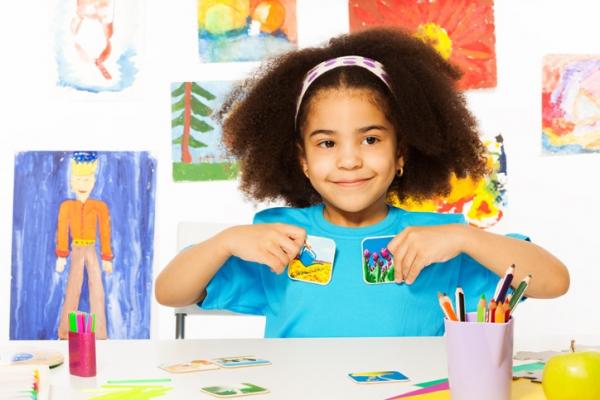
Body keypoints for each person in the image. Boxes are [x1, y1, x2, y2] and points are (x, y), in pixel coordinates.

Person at [155, 28, 569, 337]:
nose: (350, 159)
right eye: (327, 143)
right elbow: (170, 293)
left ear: (402, 153)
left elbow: (554, 281)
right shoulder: (278, 238)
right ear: (302, 160)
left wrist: (468, 240)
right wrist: (225, 241)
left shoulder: (437, 240)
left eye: (371, 139)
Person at [56, 152, 112, 339]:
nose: (83, 185)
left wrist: (106, 257)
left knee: (97, 288)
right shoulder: (66, 207)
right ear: (71, 182)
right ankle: (65, 333)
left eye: (87, 180)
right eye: (79, 180)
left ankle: (100, 334)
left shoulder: (100, 207)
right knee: (73, 288)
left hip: (92, 249)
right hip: (76, 250)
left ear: (94, 182)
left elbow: (105, 233)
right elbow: (62, 230)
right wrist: (62, 256)